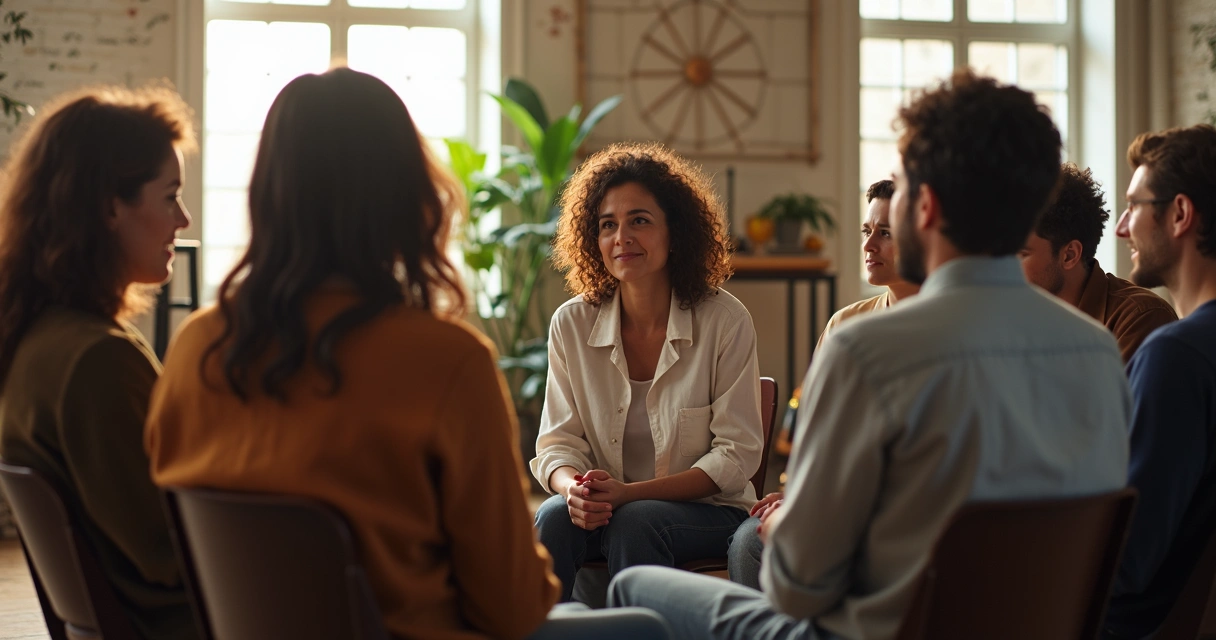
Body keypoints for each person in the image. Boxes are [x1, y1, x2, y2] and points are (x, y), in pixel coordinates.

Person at [609, 69, 1130, 640]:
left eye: (900, 187)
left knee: (634, 590)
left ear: (925, 206)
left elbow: (797, 586)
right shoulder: (1097, 351)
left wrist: (784, 521)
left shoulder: (868, 350)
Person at [144, 68, 560, 639]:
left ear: (268, 192)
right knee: (647, 621)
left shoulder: (198, 347)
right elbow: (513, 609)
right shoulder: (447, 362)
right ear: (405, 193)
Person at [0, 86, 199, 639]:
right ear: (112, 207)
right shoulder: (99, 362)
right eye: (169, 197)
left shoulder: (36, 341)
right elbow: (172, 555)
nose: (182, 220)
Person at [532, 141, 764, 603]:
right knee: (554, 516)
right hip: (608, 511)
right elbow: (557, 444)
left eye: (639, 220)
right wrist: (573, 489)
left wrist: (628, 494)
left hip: (706, 514)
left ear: (674, 230)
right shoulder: (572, 323)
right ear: (593, 240)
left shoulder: (725, 320)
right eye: (607, 225)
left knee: (638, 518)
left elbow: (735, 456)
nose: (622, 237)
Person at [727, 177, 921, 590]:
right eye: (868, 232)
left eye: (885, 234)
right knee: (748, 541)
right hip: (828, 493)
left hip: (884, 505)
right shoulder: (844, 324)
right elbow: (811, 435)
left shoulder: (944, 332)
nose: (869, 246)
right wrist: (798, 489)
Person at [1104, 124, 1216, 640]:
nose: (1122, 227)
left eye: (1134, 205)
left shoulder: (1177, 355)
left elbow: (1121, 561)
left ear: (1179, 215)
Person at [1019, 162, 1176, 362]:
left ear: (1069, 255)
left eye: (1021, 254)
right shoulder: (1014, 319)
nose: (1005, 268)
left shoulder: (1140, 318)